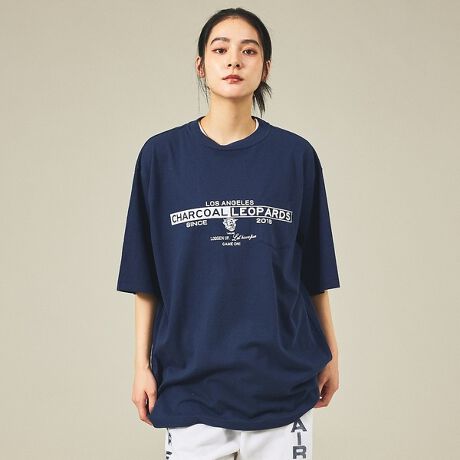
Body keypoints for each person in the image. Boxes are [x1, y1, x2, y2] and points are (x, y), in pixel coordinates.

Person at [116, 7, 341, 460]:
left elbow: (314, 274)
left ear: (266, 67)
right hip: (189, 384)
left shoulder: (296, 157)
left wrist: (331, 354)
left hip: (282, 383)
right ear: (201, 65)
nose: (234, 60)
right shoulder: (161, 158)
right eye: (220, 50)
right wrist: (141, 366)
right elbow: (146, 279)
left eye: (248, 51)